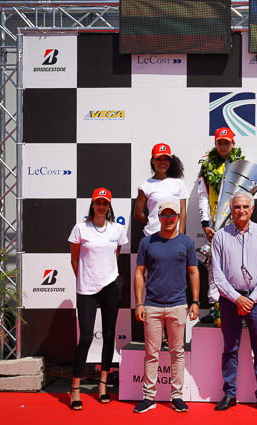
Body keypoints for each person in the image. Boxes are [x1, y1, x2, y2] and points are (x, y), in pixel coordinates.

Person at [210, 191, 257, 413]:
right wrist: (237, 298)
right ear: (231, 208)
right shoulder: (220, 236)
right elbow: (217, 275)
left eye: (245, 206)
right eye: (237, 206)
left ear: (252, 209)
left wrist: (251, 298)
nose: (241, 210)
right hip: (230, 300)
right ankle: (230, 394)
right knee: (230, 348)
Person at [133, 201, 200, 414]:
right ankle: (149, 396)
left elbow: (193, 272)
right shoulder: (147, 242)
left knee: (177, 353)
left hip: (178, 305)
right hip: (151, 305)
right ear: (159, 217)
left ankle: (177, 396)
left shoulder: (187, 243)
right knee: (151, 353)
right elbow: (139, 273)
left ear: (178, 217)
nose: (169, 219)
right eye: (165, 215)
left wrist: (195, 301)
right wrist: (139, 303)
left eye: (173, 215)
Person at [68, 187, 128, 410]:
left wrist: (105, 277)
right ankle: (75, 389)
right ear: (92, 205)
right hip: (87, 290)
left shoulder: (117, 229)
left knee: (109, 335)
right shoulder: (80, 228)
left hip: (111, 287)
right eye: (97, 202)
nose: (101, 206)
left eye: (105, 203)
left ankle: (103, 386)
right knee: (85, 338)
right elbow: (74, 260)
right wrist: (85, 279)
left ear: (109, 206)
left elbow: (116, 254)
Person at [197, 127, 245, 322]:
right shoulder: (206, 166)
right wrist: (205, 223)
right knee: (213, 266)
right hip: (215, 225)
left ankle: (237, 306)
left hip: (236, 223)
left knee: (237, 264)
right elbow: (202, 196)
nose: (223, 146)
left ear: (233, 144)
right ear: (215, 144)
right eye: (220, 142)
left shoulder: (241, 165)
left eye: (227, 142)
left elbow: (248, 195)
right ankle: (215, 306)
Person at [134, 143, 189, 236]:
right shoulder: (145, 186)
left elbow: (183, 211)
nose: (162, 162)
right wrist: (154, 223)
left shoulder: (179, 183)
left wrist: (181, 234)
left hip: (175, 236)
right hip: (153, 236)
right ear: (152, 161)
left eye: (166, 159)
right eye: (159, 159)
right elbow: (138, 214)